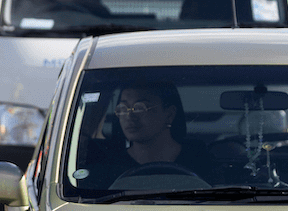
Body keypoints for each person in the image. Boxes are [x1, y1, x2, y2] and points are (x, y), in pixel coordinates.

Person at [81, 81, 214, 189]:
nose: (129, 116)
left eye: (140, 107)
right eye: (123, 108)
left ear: (169, 114)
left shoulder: (201, 161)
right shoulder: (108, 167)